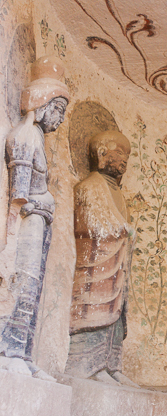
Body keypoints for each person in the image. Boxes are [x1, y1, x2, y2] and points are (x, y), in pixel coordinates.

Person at [0, 56, 69, 381]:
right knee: (22, 288)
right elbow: (20, 198)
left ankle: (23, 353)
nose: (59, 118)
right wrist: (44, 202)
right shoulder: (24, 137)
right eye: (57, 110)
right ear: (41, 104)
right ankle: (8, 350)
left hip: (39, 227)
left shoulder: (37, 138)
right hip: (25, 229)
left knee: (34, 293)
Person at [64, 131, 138, 388]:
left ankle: (110, 365)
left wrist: (124, 232)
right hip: (95, 265)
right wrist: (123, 230)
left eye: (126, 155)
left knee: (116, 316)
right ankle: (87, 367)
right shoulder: (89, 187)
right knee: (94, 312)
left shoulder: (117, 192)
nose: (123, 160)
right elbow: (92, 225)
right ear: (101, 154)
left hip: (116, 265)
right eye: (118, 153)